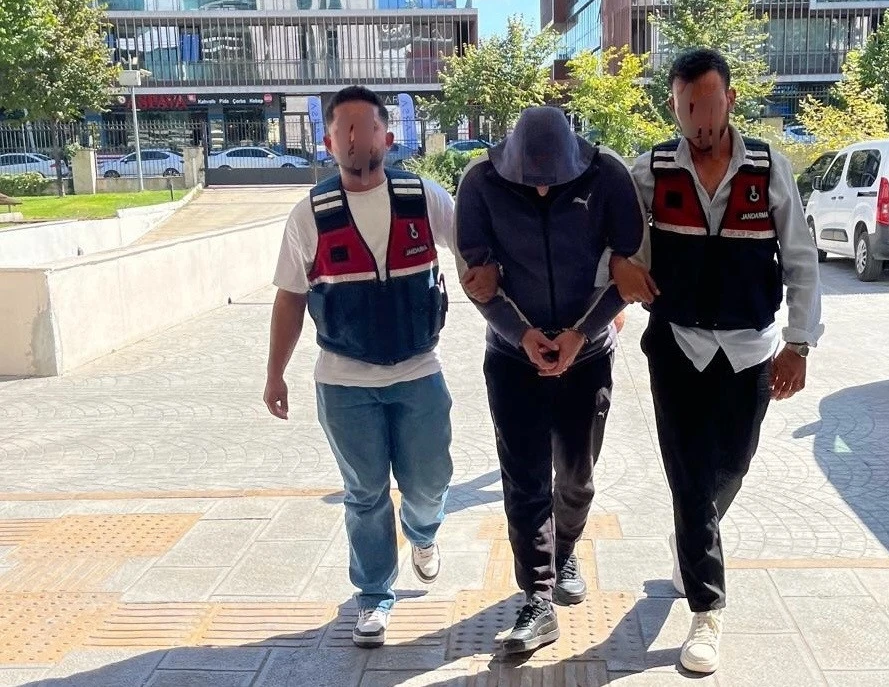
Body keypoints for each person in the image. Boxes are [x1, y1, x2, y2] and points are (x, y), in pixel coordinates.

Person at [628, 48, 824, 674]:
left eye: (710, 107)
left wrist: (798, 343)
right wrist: (621, 265)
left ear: (731, 100)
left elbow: (801, 260)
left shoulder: (768, 168)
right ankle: (707, 609)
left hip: (749, 351)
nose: (700, 121)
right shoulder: (650, 171)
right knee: (688, 477)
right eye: (687, 109)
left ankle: (692, 533)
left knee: (732, 465)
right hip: (677, 345)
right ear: (674, 108)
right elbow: (614, 232)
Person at [263, 85, 462, 649]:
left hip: (419, 370)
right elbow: (290, 298)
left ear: (387, 137)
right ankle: (374, 596)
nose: (354, 137)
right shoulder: (310, 214)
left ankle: (422, 532)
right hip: (344, 381)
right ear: (328, 143)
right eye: (342, 129)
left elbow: (475, 254)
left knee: (430, 479)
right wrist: (275, 373)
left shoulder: (423, 197)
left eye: (365, 126)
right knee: (365, 492)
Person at [453, 106, 646, 654]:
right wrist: (520, 334)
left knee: (577, 477)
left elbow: (629, 270)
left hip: (589, 356)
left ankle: (565, 551)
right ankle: (537, 597)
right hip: (513, 359)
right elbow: (477, 281)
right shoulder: (480, 183)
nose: (541, 191)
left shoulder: (608, 175)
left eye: (553, 181)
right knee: (525, 479)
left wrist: (582, 334)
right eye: (530, 181)